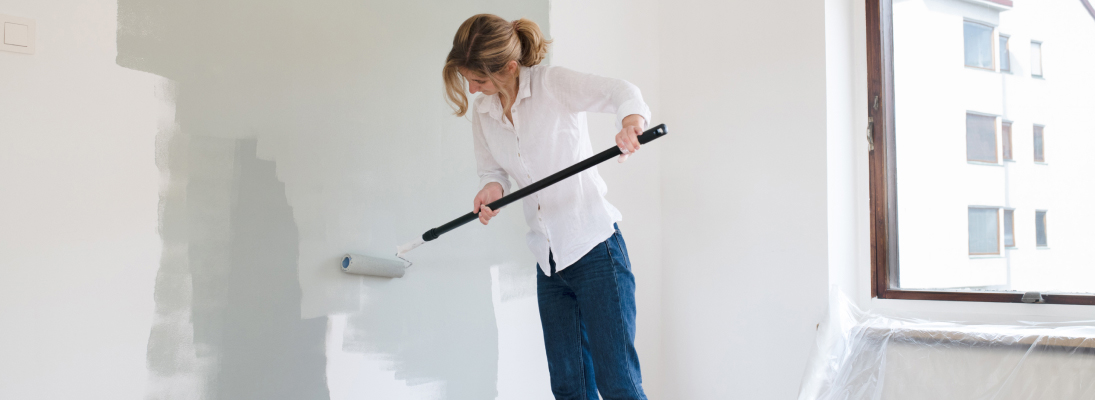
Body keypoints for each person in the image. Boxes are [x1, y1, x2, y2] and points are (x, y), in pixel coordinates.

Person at [443, 14, 651, 400]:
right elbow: (493, 170)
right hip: (549, 262)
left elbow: (623, 92)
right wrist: (491, 189)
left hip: (595, 251)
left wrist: (631, 123)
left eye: (480, 79)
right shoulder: (485, 112)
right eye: (469, 79)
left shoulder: (552, 85)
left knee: (618, 384)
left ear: (508, 67)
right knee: (570, 389)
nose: (473, 89)